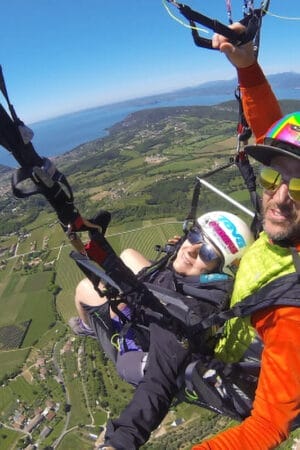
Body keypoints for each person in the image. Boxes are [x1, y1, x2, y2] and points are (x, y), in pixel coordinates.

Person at [100, 24, 300, 449]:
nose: (279, 198)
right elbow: (269, 133)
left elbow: (267, 428)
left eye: (299, 188)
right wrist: (248, 68)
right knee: (133, 260)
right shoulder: (287, 227)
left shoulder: (292, 312)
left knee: (94, 294)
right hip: (226, 309)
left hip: (210, 349)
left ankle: (103, 325)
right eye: (271, 178)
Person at [68, 211, 253, 447]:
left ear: (219, 271)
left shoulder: (188, 315)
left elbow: (157, 387)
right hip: (154, 304)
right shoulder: (202, 281)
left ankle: (90, 328)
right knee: (129, 255)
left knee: (85, 289)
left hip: (142, 347)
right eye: (195, 235)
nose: (191, 250)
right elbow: (180, 268)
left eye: (206, 252)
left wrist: (119, 442)